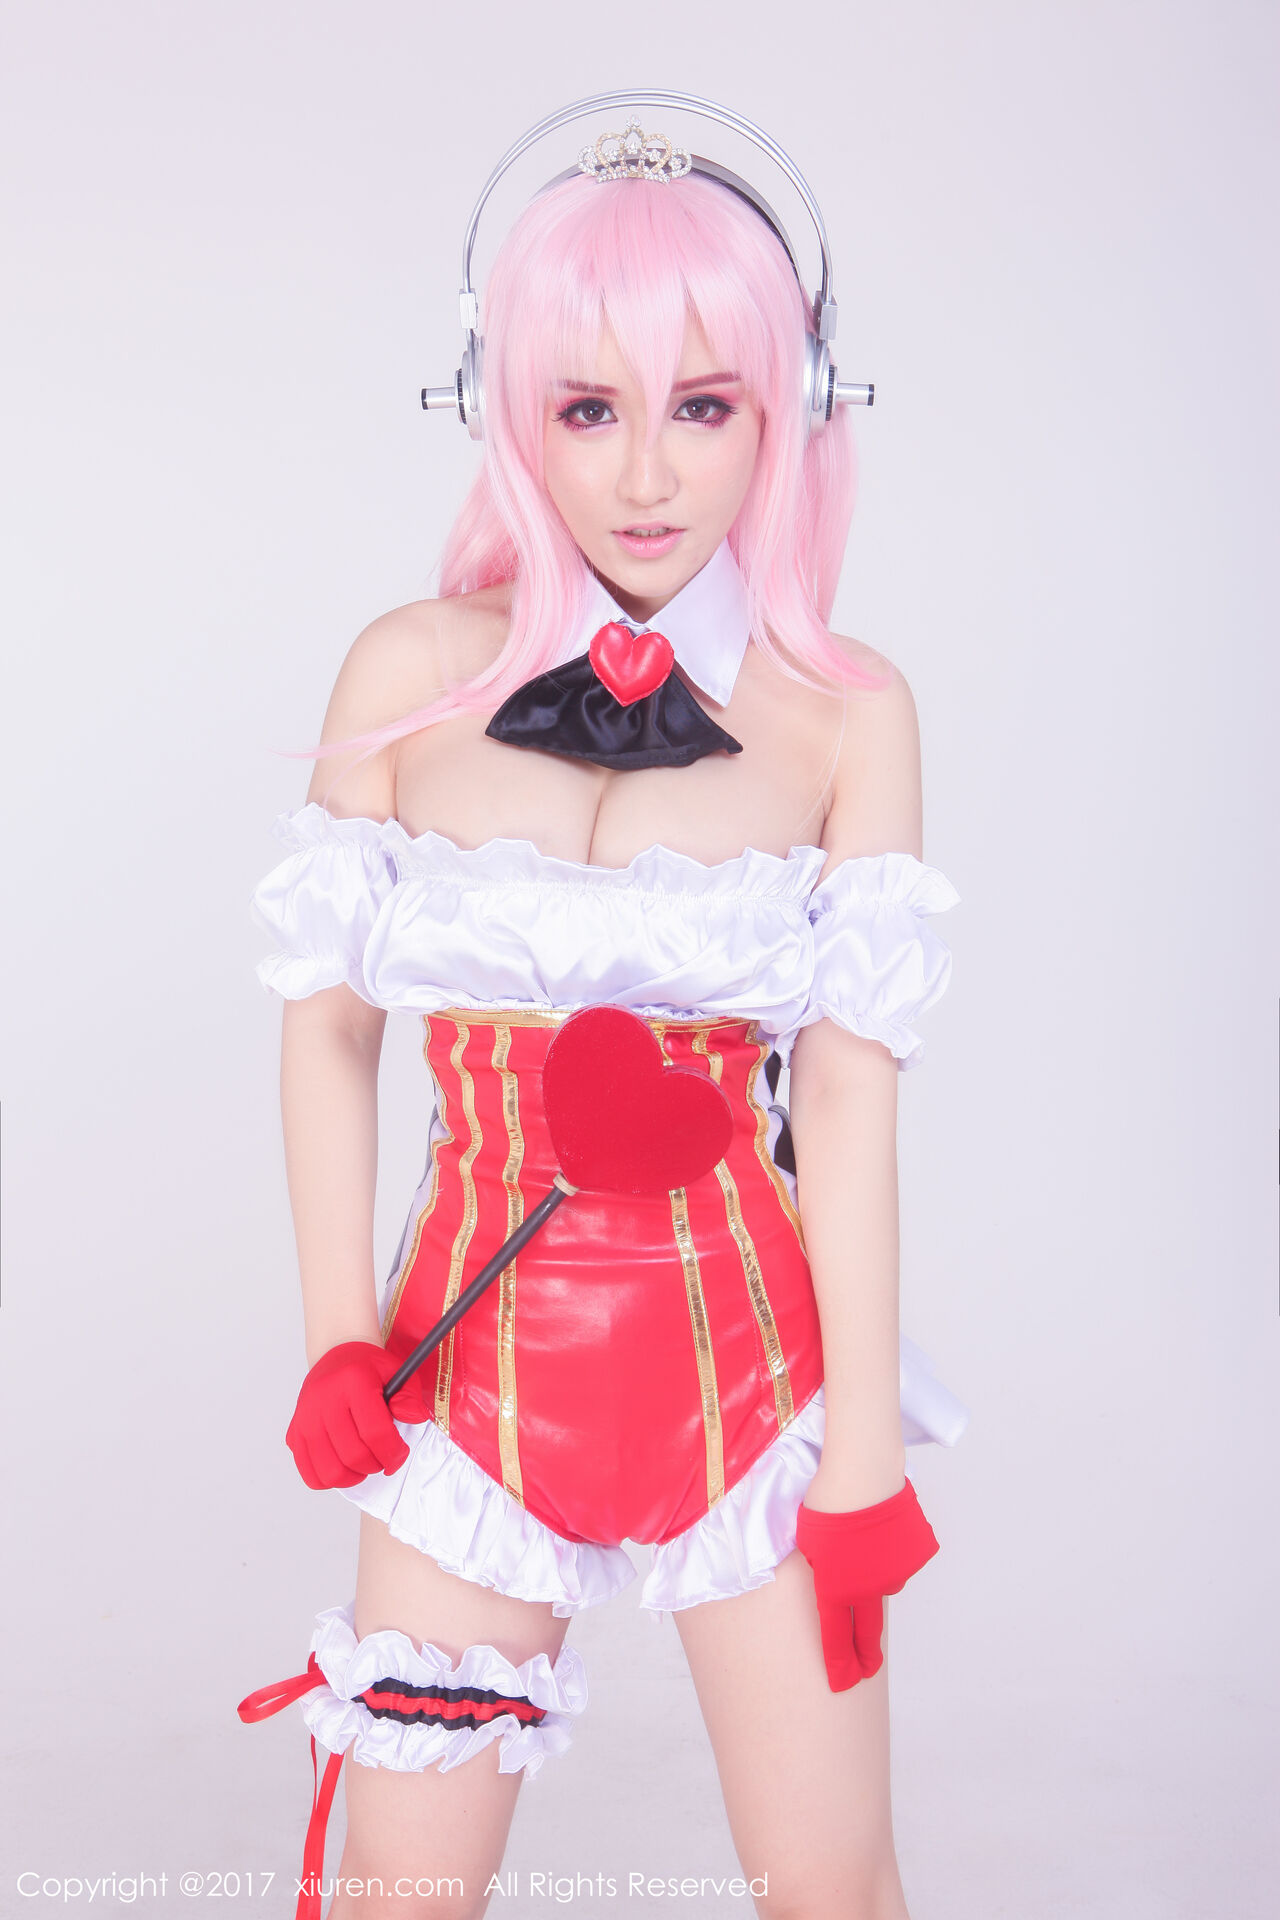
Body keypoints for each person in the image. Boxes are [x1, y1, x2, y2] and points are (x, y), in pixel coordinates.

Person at [239, 110, 969, 1920]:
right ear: (506, 409)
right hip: (462, 1392)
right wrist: (337, 1340)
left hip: (762, 1392)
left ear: (794, 407)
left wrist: (862, 1460)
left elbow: (851, 1098)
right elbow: (328, 1026)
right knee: (402, 1898)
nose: (647, 471)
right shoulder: (408, 671)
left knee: (833, 1887)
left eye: (704, 404)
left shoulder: (848, 711)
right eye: (588, 407)